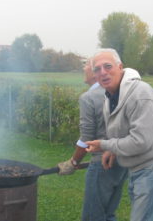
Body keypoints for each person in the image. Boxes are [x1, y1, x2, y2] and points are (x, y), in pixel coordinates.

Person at [86, 48, 153, 221]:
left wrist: (105, 145)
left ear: (120, 67)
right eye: (97, 69)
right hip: (138, 168)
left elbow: (141, 141)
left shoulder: (140, 94)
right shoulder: (111, 96)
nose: (103, 72)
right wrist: (113, 150)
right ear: (94, 76)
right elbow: (123, 130)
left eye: (108, 66)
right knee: (150, 216)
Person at [58, 58, 128, 221]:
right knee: (108, 213)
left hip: (102, 163)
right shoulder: (121, 91)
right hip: (122, 160)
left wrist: (73, 162)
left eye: (88, 65)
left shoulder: (88, 97)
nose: (84, 68)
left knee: (93, 216)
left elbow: (87, 137)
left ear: (95, 73)